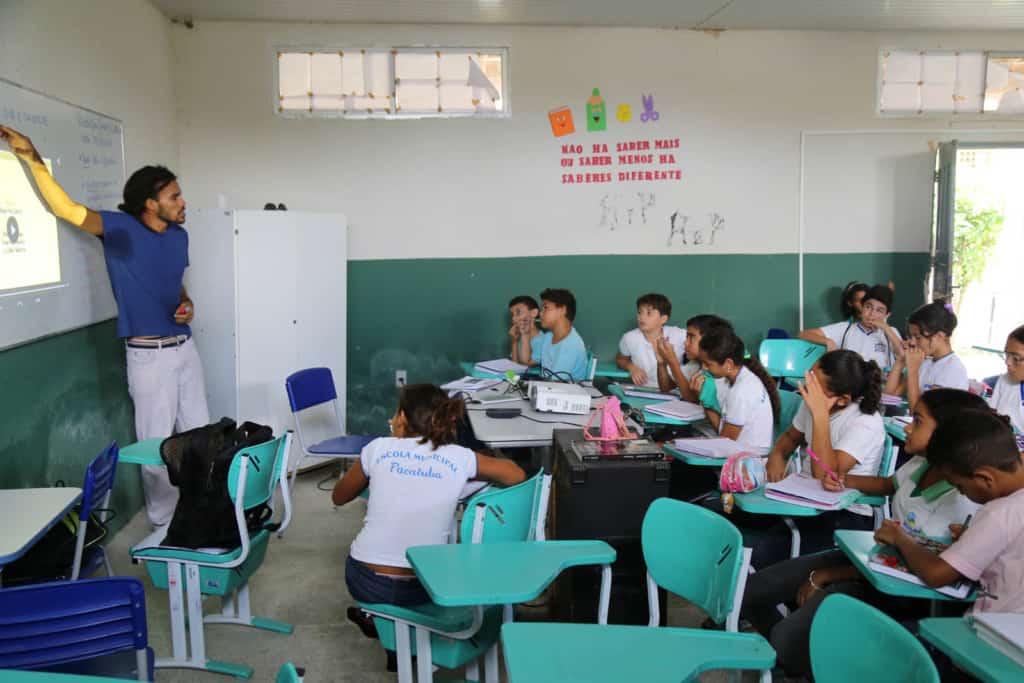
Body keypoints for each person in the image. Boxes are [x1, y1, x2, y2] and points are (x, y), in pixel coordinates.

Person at [1, 124, 209, 528]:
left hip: (185, 348)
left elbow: (175, 284)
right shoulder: (120, 230)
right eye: (174, 196)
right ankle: (165, 524)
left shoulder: (179, 236)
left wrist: (186, 304)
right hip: (149, 357)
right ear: (150, 203)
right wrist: (30, 156)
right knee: (158, 446)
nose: (183, 202)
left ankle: (202, 511)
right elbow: (66, 209)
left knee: (201, 436)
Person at [741, 389, 985, 677]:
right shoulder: (922, 463)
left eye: (917, 421)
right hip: (871, 561)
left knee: (788, 638)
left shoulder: (966, 498)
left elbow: (925, 574)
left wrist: (831, 576)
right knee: (751, 592)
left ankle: (808, 660)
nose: (907, 426)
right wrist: (841, 480)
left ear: (947, 433)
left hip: (899, 591)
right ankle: (805, 663)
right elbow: (888, 485)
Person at [332, 385, 525, 623]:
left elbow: (338, 497)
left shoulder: (377, 448)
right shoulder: (459, 456)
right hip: (425, 584)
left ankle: (379, 621)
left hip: (367, 580)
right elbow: (516, 475)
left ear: (402, 418)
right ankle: (391, 628)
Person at [744, 350, 886, 567]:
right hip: (801, 500)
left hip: (844, 513)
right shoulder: (812, 404)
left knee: (761, 554)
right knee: (731, 514)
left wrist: (820, 416)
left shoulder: (865, 422)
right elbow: (790, 437)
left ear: (842, 399)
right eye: (808, 376)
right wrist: (777, 457)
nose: (805, 385)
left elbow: (826, 475)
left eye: (813, 383)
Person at [875, 409, 1024, 615]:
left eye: (960, 486)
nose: (961, 492)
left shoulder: (998, 513)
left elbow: (936, 574)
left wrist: (899, 537)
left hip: (991, 631)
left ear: (984, 479)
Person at [693, 328, 779, 456]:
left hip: (746, 464)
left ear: (728, 364)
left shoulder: (741, 391)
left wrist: (705, 402)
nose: (704, 368)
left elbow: (725, 443)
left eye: (707, 364)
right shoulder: (739, 379)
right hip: (739, 454)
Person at [885, 300, 968, 409]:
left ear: (939, 336)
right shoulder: (925, 361)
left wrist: (913, 370)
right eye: (911, 337)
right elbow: (889, 398)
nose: (912, 342)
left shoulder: (953, 369)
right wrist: (900, 360)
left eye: (918, 337)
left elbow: (917, 412)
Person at [799, 284, 902, 371]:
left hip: (880, 389)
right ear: (862, 307)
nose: (871, 314)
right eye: (868, 307)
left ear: (887, 315)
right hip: (851, 386)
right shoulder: (845, 328)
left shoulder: (891, 332)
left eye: (879, 310)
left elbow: (903, 355)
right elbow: (803, 334)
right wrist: (828, 341)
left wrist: (886, 328)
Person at [656, 314, 732, 404]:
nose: (685, 342)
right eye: (686, 337)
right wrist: (662, 363)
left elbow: (692, 399)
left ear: (709, 340)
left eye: (691, 337)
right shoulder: (695, 363)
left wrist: (673, 362)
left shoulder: (719, 368)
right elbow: (667, 388)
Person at [615, 293, 685, 390]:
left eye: (649, 313)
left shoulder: (679, 335)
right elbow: (620, 359)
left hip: (675, 391)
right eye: (640, 312)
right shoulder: (629, 338)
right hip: (644, 390)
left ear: (663, 319)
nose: (642, 317)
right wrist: (631, 367)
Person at [530, 288, 588, 381]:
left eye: (546, 308)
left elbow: (555, 384)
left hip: (563, 392)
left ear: (562, 310)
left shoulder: (571, 344)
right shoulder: (549, 336)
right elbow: (527, 361)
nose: (540, 313)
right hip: (548, 388)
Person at [987, 324, 1024, 432]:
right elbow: (991, 419)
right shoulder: (1004, 381)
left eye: (1016, 358)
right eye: (1007, 355)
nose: (1007, 362)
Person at [507, 295, 540, 366]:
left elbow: (526, 364)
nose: (514, 318)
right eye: (512, 315)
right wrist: (514, 341)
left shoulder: (544, 340)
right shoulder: (519, 339)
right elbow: (514, 367)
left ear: (534, 313)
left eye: (518, 313)